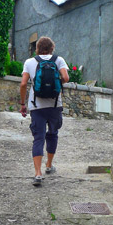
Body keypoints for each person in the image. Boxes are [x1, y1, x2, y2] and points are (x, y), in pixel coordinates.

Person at [19, 37, 69, 187]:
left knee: (38, 138)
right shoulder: (58, 60)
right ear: (52, 48)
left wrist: (23, 104)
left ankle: (37, 174)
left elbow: (23, 84)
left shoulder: (29, 62)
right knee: (53, 135)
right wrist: (55, 84)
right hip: (55, 105)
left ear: (37, 48)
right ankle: (49, 165)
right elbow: (66, 77)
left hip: (36, 106)